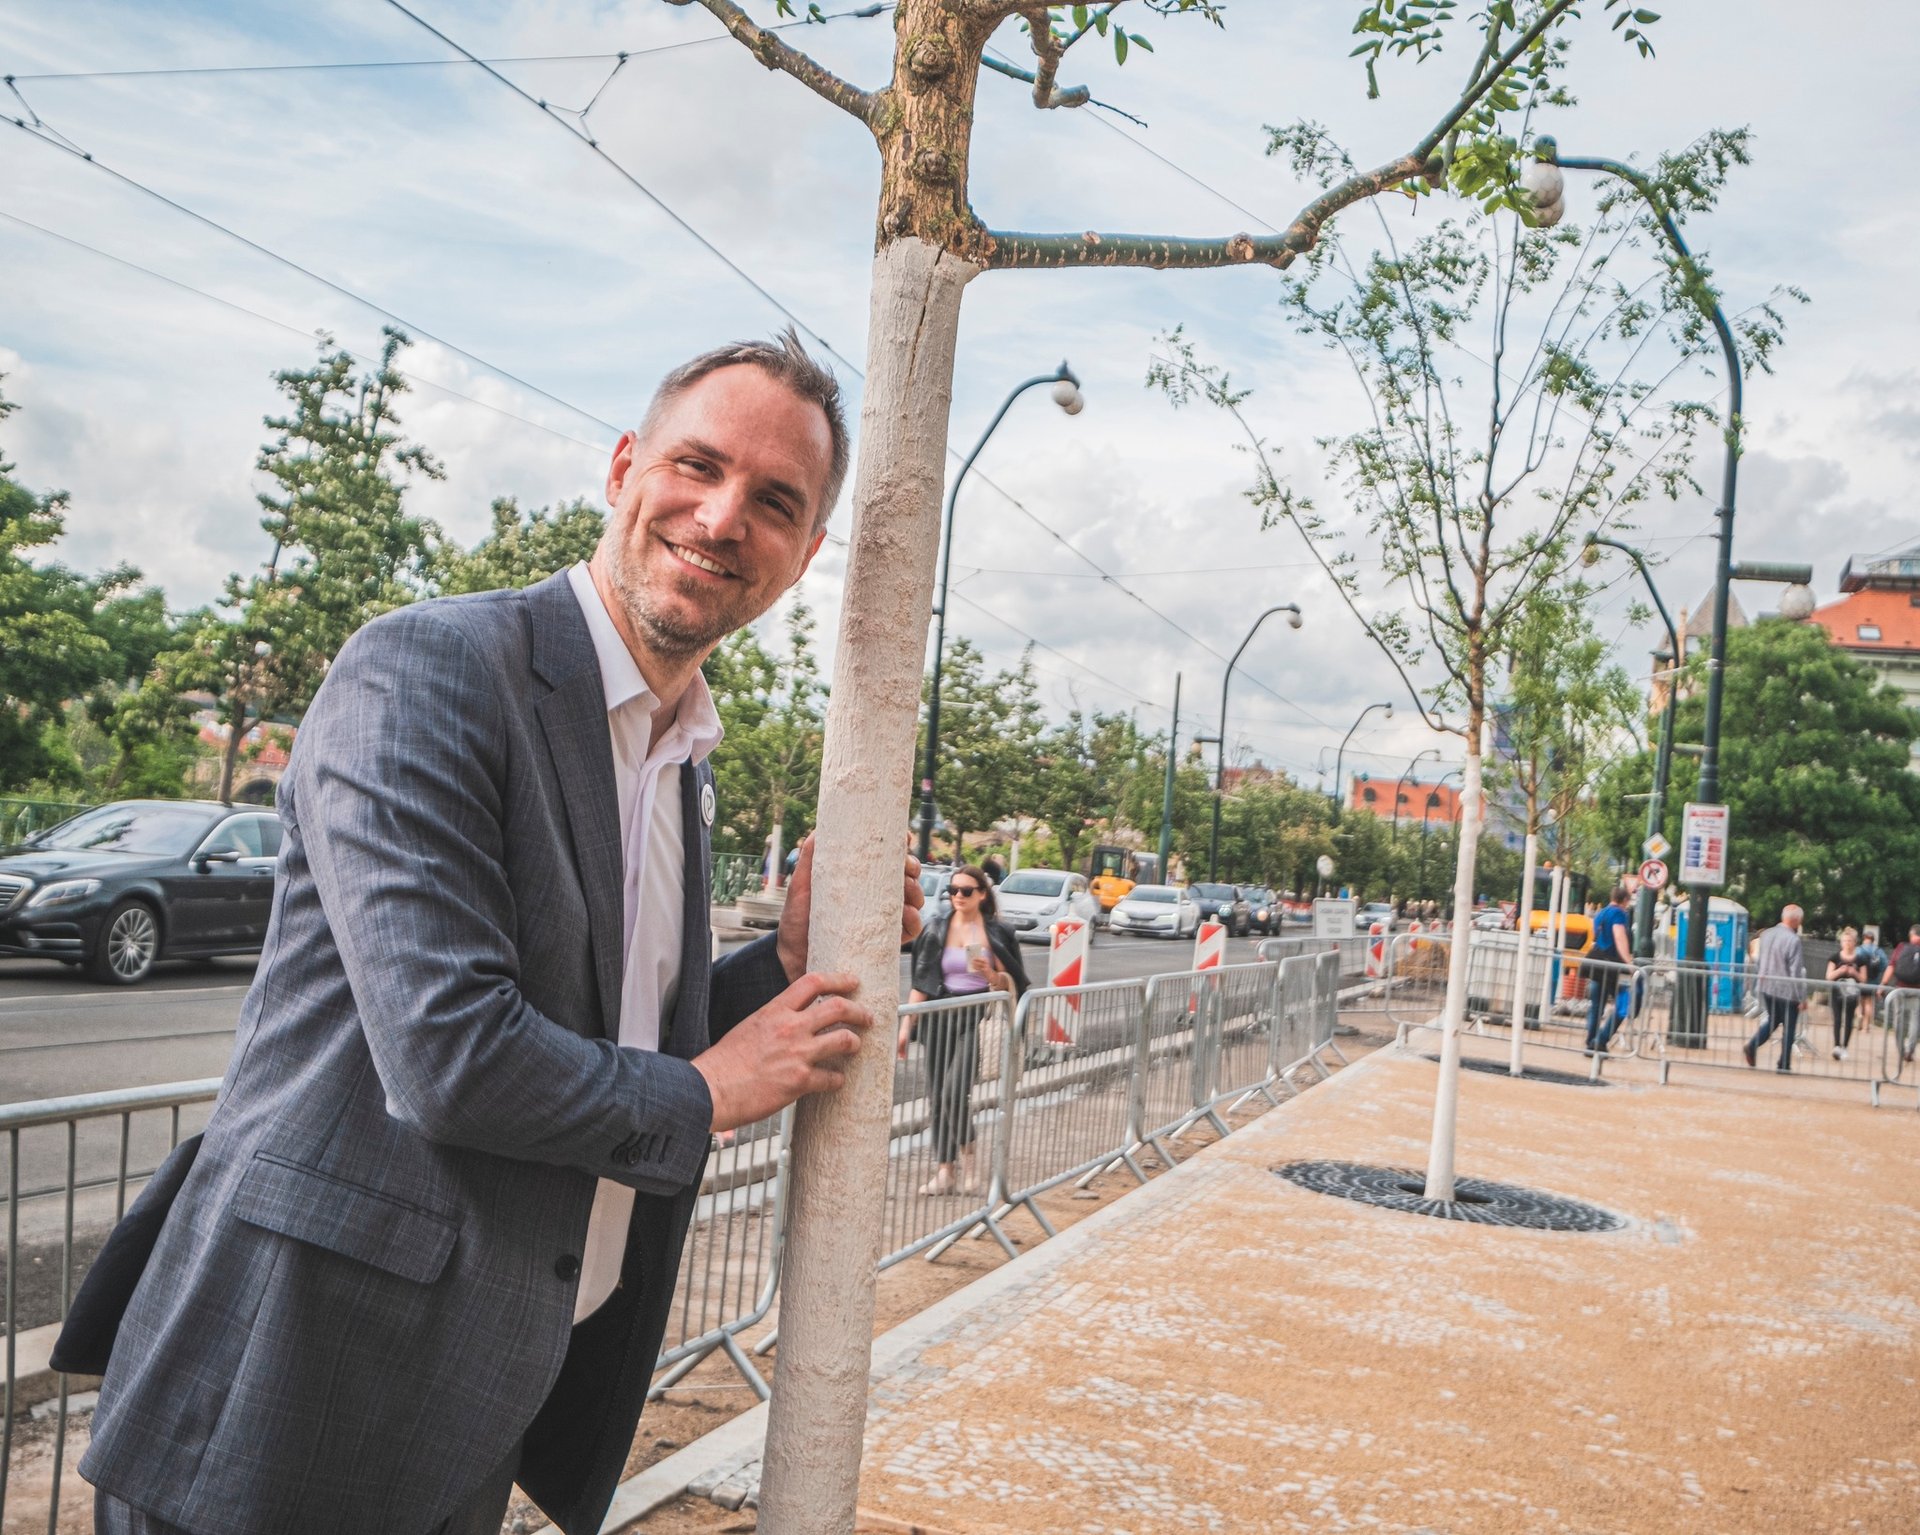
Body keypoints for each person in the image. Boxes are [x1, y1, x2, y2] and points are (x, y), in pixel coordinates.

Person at [78, 331, 924, 1535]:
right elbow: (450, 1051)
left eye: (776, 501)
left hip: (475, 1397)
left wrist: (780, 966)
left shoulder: (681, 756)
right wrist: (711, 1095)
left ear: (805, 556)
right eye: (697, 464)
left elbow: (619, 1022)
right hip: (293, 1383)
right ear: (624, 467)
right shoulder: (431, 667)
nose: (723, 516)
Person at [899, 865, 1031, 1196]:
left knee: (953, 1093)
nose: (958, 896)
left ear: (982, 894)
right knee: (936, 1097)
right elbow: (922, 982)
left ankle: (969, 1160)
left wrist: (990, 975)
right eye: (953, 890)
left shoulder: (997, 933)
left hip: (974, 1017)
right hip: (937, 1016)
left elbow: (1013, 982)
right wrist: (906, 1027)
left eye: (966, 891)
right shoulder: (936, 928)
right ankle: (945, 1171)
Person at [1744, 904, 1808, 1071]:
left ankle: (1753, 1045)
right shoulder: (1793, 940)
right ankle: (1784, 1063)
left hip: (1767, 986)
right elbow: (1795, 971)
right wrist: (1801, 997)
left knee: (1773, 1020)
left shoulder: (1767, 934)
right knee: (1789, 1026)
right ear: (1797, 920)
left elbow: (1761, 960)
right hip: (1787, 990)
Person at [1583, 884, 1634, 1054]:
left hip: (1597, 964)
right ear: (1624, 900)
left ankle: (1591, 1043)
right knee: (1623, 1005)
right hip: (1614, 967)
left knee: (1596, 1006)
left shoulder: (1601, 913)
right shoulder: (1618, 914)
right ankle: (1601, 1040)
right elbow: (1619, 936)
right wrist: (1628, 962)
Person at [1826, 928, 1869, 1061]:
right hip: (1837, 992)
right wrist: (1840, 971)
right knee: (1837, 1018)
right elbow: (1829, 976)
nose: (1847, 943)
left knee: (1849, 1019)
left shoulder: (1860, 959)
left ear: (1855, 942)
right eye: (1844, 941)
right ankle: (1836, 1045)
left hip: (1852, 993)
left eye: (1850, 941)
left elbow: (1863, 978)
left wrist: (1854, 973)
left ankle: (1845, 1046)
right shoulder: (1835, 957)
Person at [1886, 923, 1920, 1064]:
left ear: (1911, 935)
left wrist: (1883, 984)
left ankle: (1901, 1050)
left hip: (1899, 988)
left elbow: (1891, 967)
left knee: (1898, 1019)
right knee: (1915, 1020)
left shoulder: (1901, 947)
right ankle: (1909, 1051)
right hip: (1917, 990)